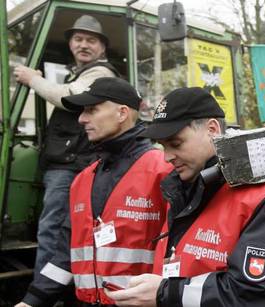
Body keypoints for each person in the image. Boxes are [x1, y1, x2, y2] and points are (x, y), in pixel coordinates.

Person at [105, 87, 265, 307]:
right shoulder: (184, 190)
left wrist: (165, 293)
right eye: (162, 146)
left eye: (176, 143)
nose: (167, 157)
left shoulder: (261, 200)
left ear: (212, 129)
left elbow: (256, 293)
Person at [15, 77, 173, 307]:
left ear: (121, 113)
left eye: (91, 110)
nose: (81, 119)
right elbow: (65, 256)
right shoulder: (82, 180)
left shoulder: (163, 170)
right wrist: (30, 302)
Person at [13, 14, 119, 276]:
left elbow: (69, 97)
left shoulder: (99, 72)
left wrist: (32, 79)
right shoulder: (80, 73)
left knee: (54, 229)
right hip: (69, 160)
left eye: (91, 40)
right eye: (78, 39)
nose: (84, 45)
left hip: (73, 163)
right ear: (71, 44)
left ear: (102, 48)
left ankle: (44, 292)